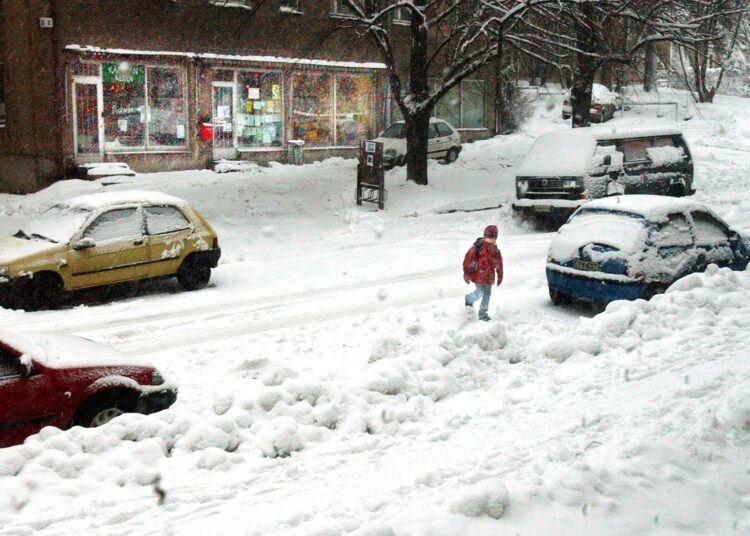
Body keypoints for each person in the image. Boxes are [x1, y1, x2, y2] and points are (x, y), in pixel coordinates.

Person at [462, 225, 504, 321]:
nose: (490, 240)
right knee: (479, 292)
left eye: (492, 238)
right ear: (484, 237)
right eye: (488, 237)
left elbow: (499, 264)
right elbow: (468, 261)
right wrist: (466, 273)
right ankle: (469, 299)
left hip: (489, 277)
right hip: (478, 276)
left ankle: (483, 313)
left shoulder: (495, 251)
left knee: (487, 295)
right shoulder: (477, 248)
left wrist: (500, 275)